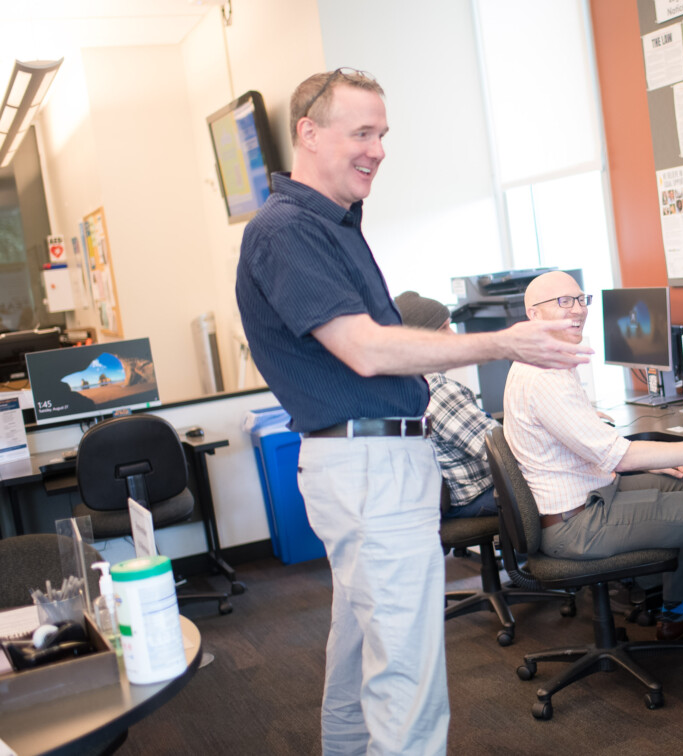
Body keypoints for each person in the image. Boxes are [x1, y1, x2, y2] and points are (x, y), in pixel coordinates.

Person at [235, 69, 590, 756]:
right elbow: (363, 350)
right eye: (361, 133)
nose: (378, 149)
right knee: (408, 679)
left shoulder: (332, 226)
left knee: (359, 655)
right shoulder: (287, 232)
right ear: (308, 132)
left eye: (382, 134)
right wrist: (501, 341)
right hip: (368, 466)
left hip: (371, 463)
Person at [501, 271, 683, 669]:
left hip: (586, 495)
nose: (578, 310)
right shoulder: (545, 377)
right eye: (563, 302)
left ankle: (676, 616)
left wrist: (668, 456)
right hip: (577, 524)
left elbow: (575, 434)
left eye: (580, 298)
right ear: (533, 314)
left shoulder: (541, 360)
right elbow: (618, 457)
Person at [394, 291, 498, 519]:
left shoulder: (404, 385)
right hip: (476, 496)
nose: (453, 336)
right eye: (443, 329)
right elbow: (500, 449)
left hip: (447, 500)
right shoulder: (436, 388)